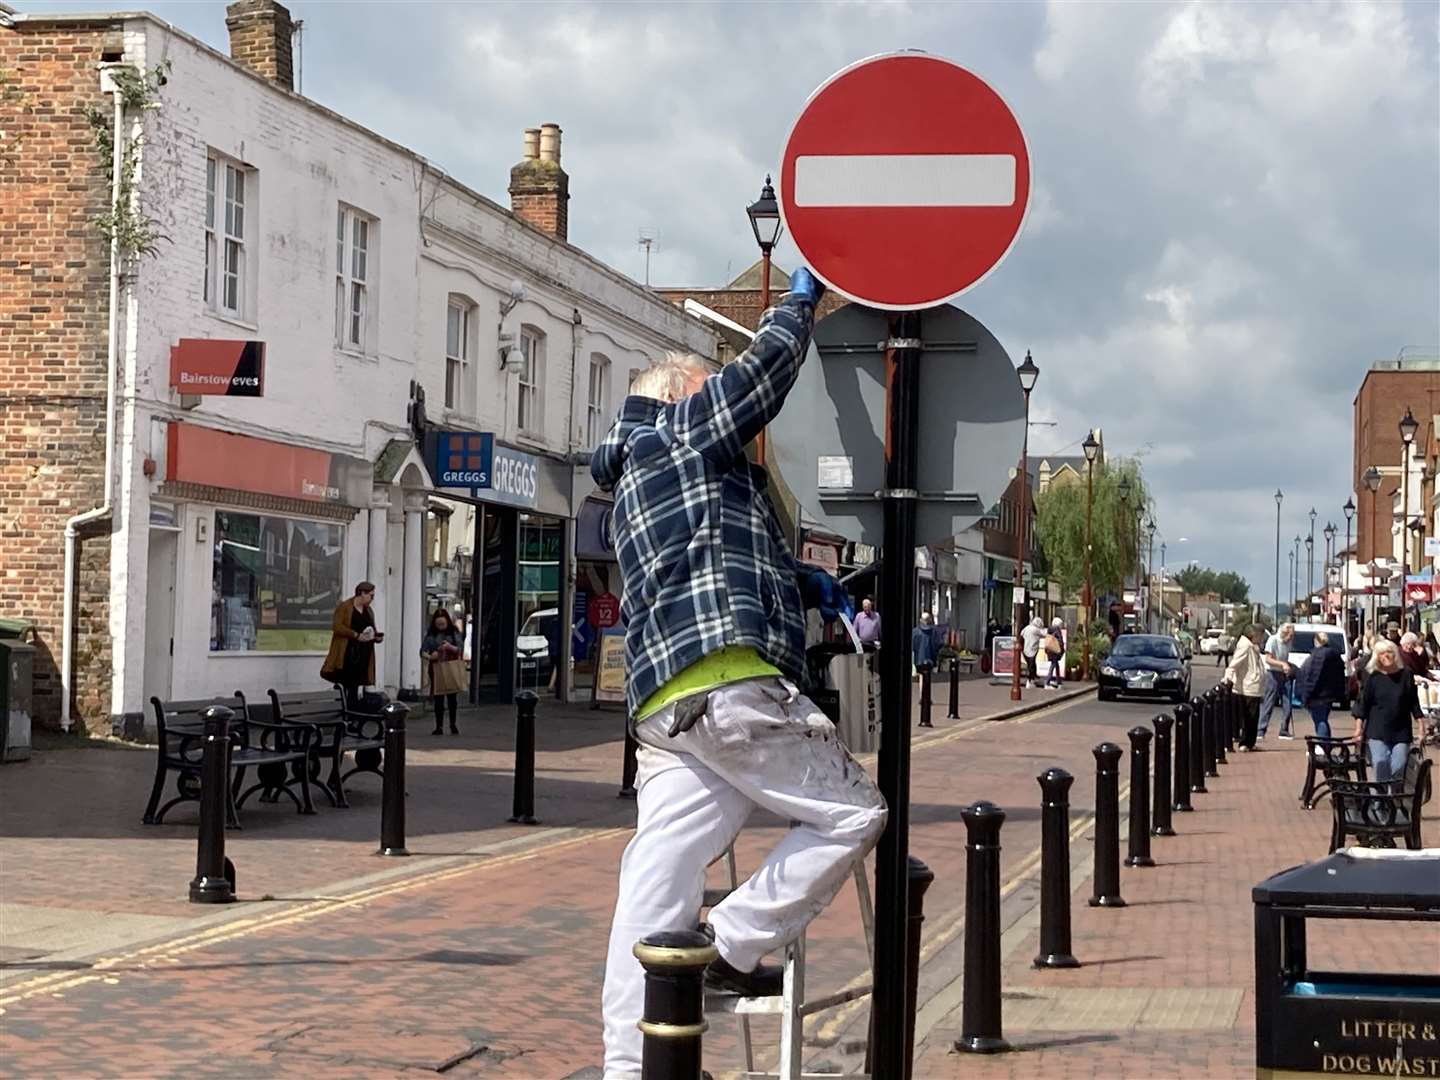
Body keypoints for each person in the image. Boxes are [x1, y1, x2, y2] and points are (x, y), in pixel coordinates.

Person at [591, 269, 886, 1080]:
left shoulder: (644, 472)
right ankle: (733, 944)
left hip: (665, 707)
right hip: (727, 684)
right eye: (708, 389)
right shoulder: (675, 431)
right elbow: (759, 381)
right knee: (854, 814)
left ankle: (632, 1062)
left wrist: (800, 582)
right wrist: (799, 303)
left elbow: (711, 561)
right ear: (684, 392)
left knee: (658, 876)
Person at [1351, 638, 1422, 785]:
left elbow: (1414, 703)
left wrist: (1421, 726)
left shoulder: (1406, 675)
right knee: (1381, 763)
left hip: (1401, 731)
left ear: (1395, 654)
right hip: (1377, 730)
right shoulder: (1373, 677)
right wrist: (1358, 729)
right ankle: (1379, 803)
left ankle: (1394, 802)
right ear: (1377, 657)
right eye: (1382, 654)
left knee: (1398, 767)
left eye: (1389, 652)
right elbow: (1363, 705)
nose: (1386, 656)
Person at [321, 582, 384, 710]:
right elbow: (337, 626)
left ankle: (352, 717)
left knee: (355, 687)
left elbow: (371, 628)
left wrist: (376, 637)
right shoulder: (345, 607)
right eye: (371, 596)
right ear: (362, 593)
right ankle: (343, 714)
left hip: (363, 654)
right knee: (345, 684)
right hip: (347, 654)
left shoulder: (368, 611)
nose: (372, 599)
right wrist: (355, 635)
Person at [421, 607, 465, 735]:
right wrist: (430, 656)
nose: (441, 626)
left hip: (451, 666)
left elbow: (460, 649)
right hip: (436, 668)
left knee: (452, 698)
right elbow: (422, 651)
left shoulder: (453, 632)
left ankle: (453, 724)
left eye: (443, 624)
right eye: (438, 624)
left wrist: (449, 647)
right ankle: (439, 726)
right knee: (438, 698)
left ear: (447, 622)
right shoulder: (431, 635)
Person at [1294, 630, 1344, 739]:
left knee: (1320, 720)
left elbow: (1312, 677)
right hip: (1329, 694)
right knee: (1322, 719)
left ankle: (1323, 744)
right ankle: (1324, 743)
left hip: (1318, 695)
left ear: (1316, 640)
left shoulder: (1318, 655)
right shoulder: (1335, 655)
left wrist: (1306, 695)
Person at [1225, 625, 1268, 750]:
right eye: (1260, 636)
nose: (1262, 639)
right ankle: (1245, 743)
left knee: (1253, 718)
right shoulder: (1245, 646)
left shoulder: (1252, 647)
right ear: (1254, 635)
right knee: (1249, 717)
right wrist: (1228, 677)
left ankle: (1250, 743)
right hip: (1249, 687)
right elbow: (1234, 664)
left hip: (1254, 687)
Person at [1258, 623, 1296, 740]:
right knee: (1269, 701)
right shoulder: (1273, 640)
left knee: (1287, 701)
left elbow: (1285, 657)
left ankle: (1284, 729)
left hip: (1284, 674)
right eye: (1290, 635)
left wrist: (1288, 667)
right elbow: (1268, 659)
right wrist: (1282, 664)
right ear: (1284, 633)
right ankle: (1261, 730)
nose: (1291, 638)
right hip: (1273, 673)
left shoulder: (1288, 642)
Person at [1021, 616, 1045, 689]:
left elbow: (1021, 634)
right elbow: (1044, 635)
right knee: (1032, 665)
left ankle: (1032, 679)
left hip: (1025, 649)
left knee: (1030, 665)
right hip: (1033, 649)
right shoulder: (1036, 630)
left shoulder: (1027, 628)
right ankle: (1030, 680)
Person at [1043, 616, 1066, 688]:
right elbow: (1060, 641)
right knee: (1053, 665)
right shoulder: (1057, 629)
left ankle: (1059, 681)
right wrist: (1062, 650)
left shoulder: (1049, 629)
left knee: (1056, 665)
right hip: (1055, 650)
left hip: (1050, 649)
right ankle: (1047, 682)